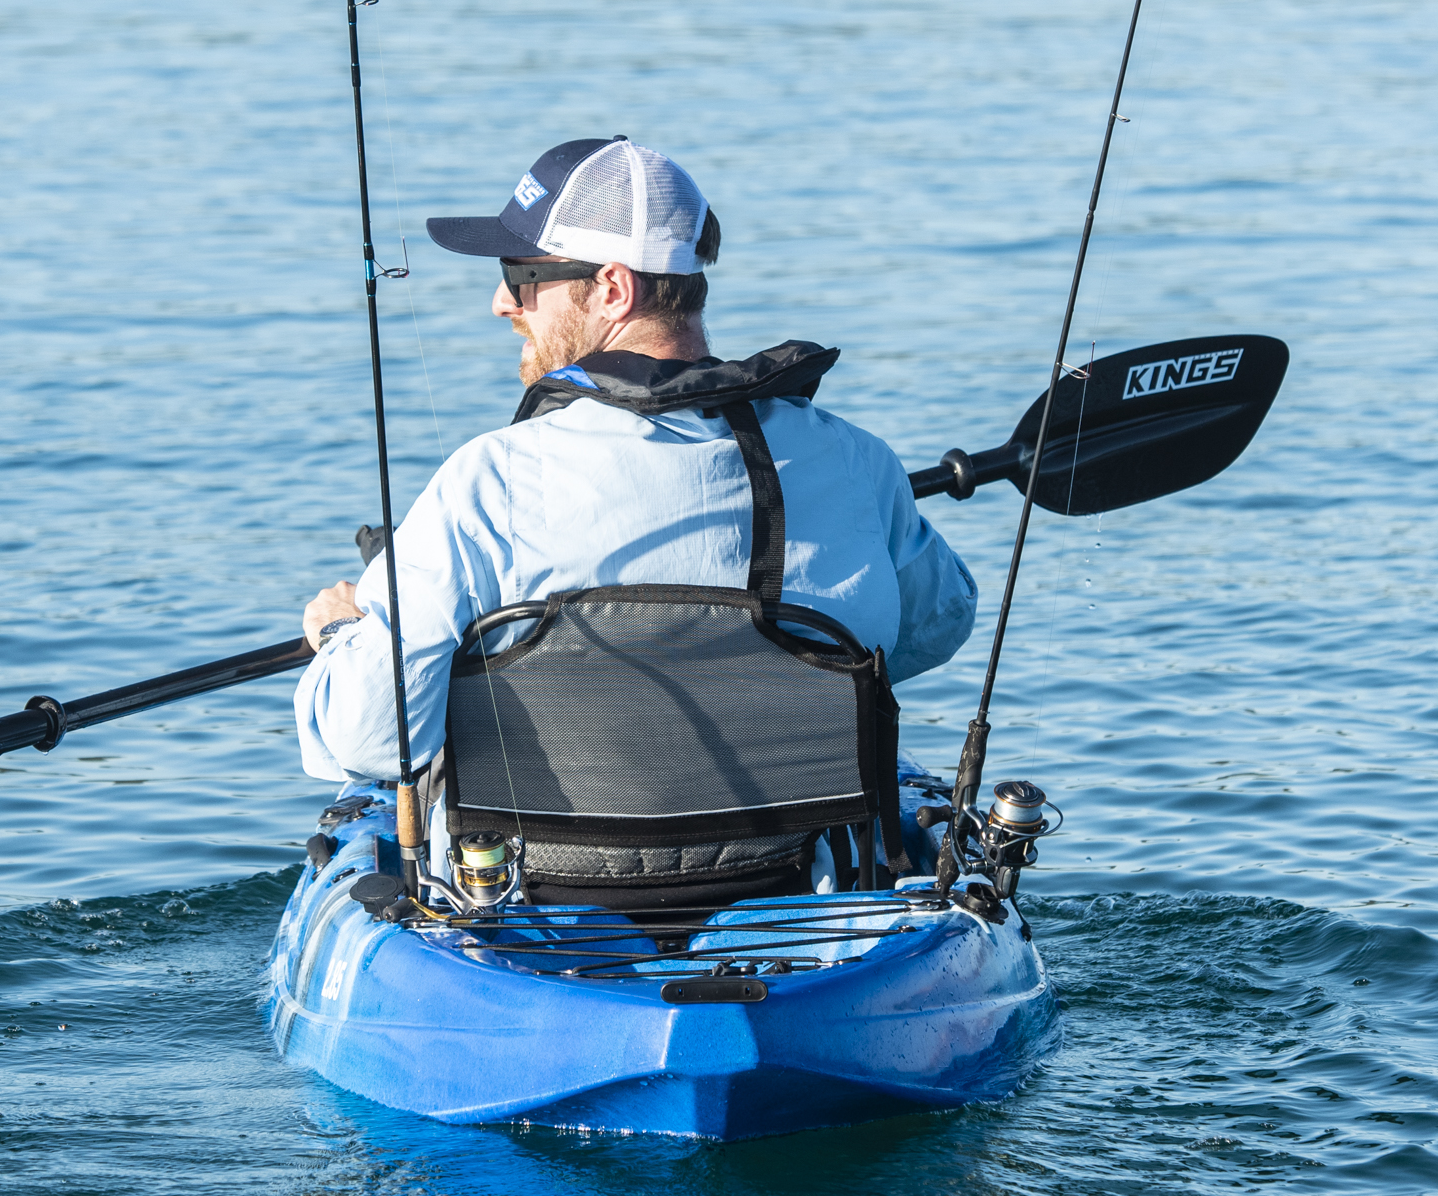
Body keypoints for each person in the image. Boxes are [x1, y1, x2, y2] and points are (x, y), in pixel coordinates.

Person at [294, 136, 975, 792]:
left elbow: (374, 741)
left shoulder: (484, 484)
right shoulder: (854, 459)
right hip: (804, 874)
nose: (503, 302)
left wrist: (349, 635)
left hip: (549, 892)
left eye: (521, 277)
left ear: (613, 289)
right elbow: (936, 626)